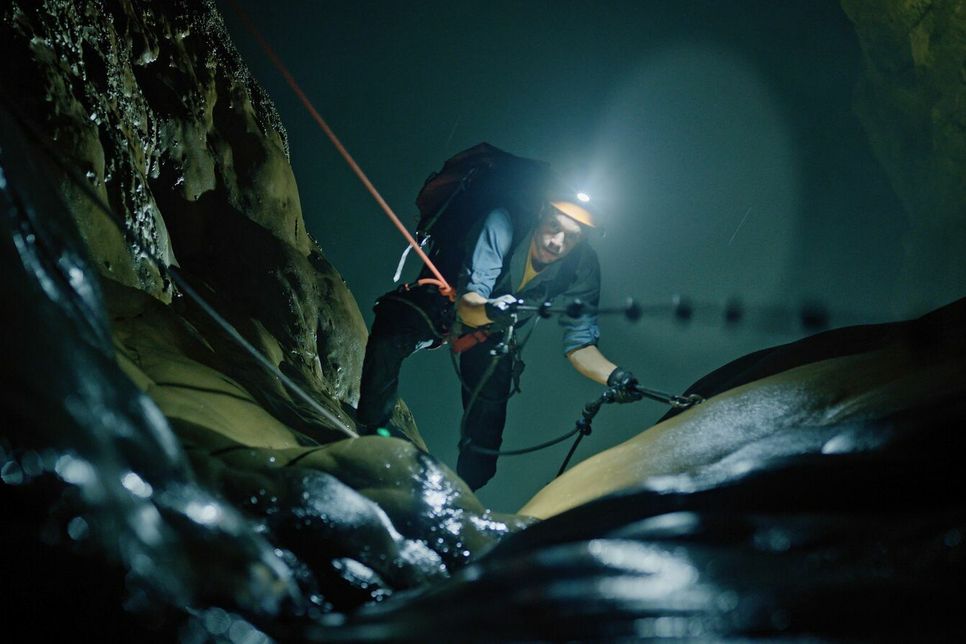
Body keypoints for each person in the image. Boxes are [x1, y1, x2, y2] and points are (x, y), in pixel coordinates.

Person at [356, 179, 641, 490]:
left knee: (487, 425)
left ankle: (463, 495)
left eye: (572, 237)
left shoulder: (582, 266)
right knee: (392, 328)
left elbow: (580, 345)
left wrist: (615, 377)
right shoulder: (503, 223)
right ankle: (371, 432)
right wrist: (492, 309)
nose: (557, 242)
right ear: (542, 212)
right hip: (447, 301)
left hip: (491, 332)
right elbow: (469, 305)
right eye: (552, 226)